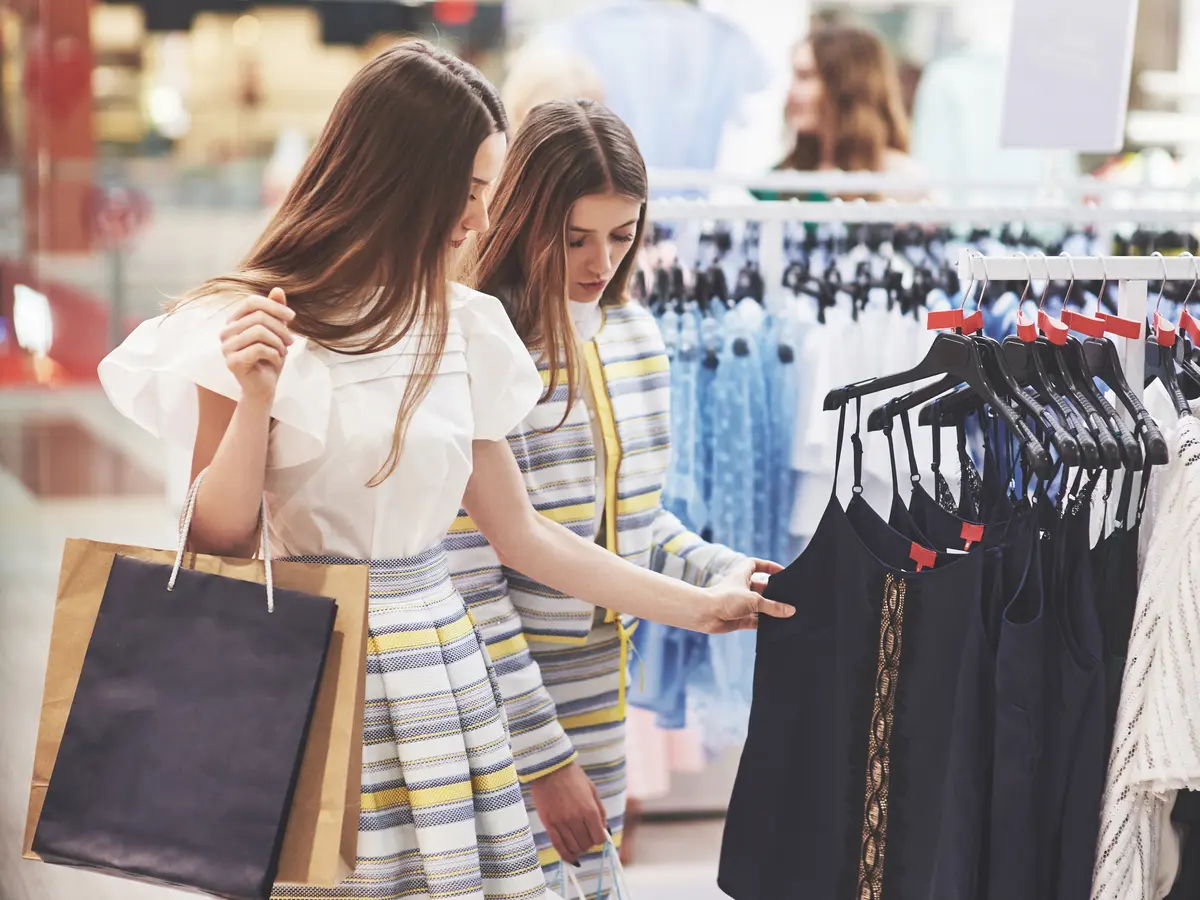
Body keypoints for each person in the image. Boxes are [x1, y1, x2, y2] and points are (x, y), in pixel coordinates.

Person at [96, 42, 791, 900]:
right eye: (467, 192)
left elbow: (527, 536)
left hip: (441, 672)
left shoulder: (464, 329)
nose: (477, 219)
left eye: (488, 193)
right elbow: (218, 539)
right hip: (310, 655)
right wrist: (252, 401)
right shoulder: (250, 320)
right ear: (397, 178)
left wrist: (705, 608)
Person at [449, 98, 777, 898]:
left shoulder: (634, 333)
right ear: (523, 218)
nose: (601, 260)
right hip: (501, 687)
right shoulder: (482, 345)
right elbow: (472, 578)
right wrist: (544, 757)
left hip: (604, 679)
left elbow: (636, 519)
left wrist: (720, 569)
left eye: (622, 234)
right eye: (575, 238)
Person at [759, 25, 921, 200]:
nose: (791, 92)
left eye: (805, 77)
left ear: (846, 87)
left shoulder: (901, 182)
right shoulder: (782, 178)